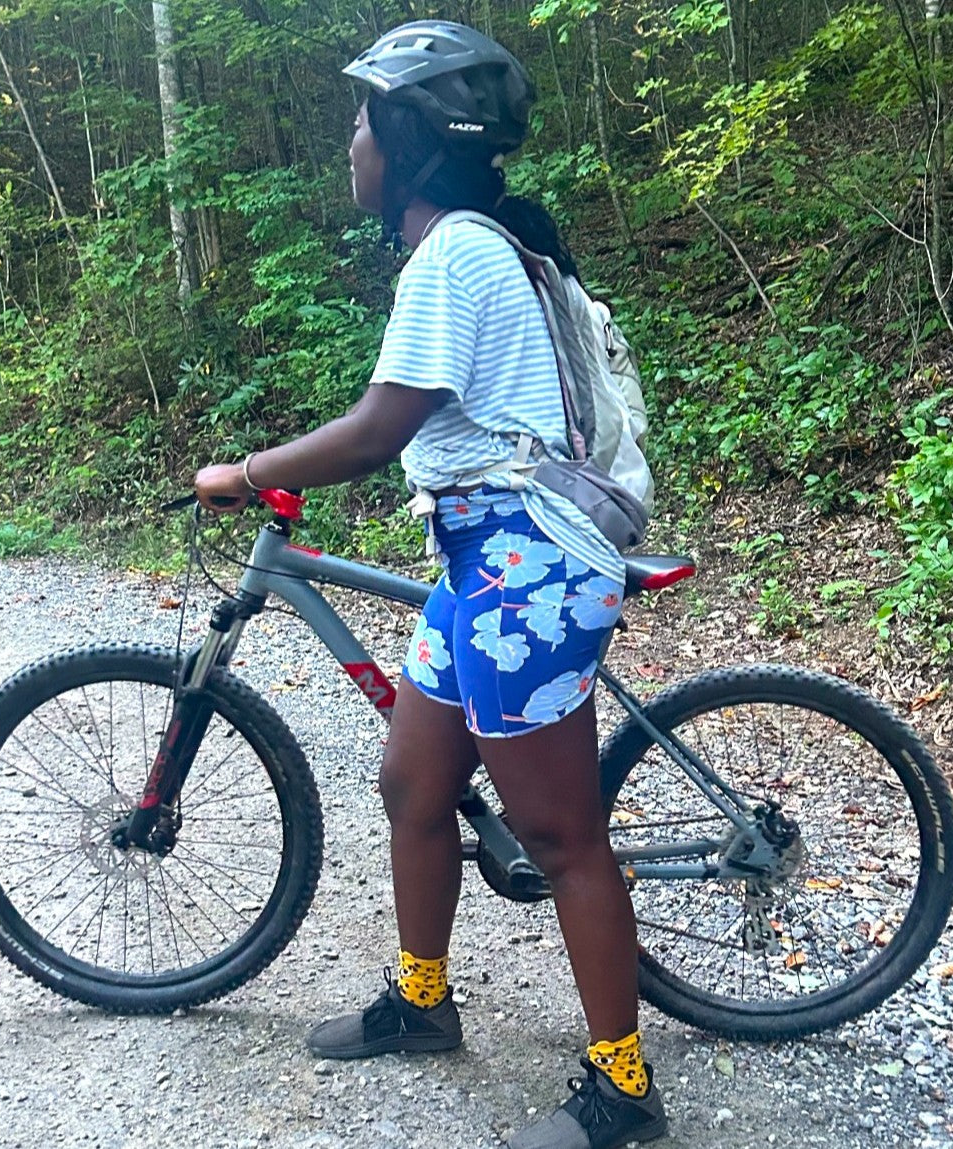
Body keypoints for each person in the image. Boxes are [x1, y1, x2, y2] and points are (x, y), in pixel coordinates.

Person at [194, 21, 667, 1149]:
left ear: (405, 138)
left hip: (528, 563)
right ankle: (421, 1002)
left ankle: (623, 1089)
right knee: (414, 785)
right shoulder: (468, 247)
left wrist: (242, 472)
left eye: (361, 123)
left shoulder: (456, 251)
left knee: (560, 836)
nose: (348, 143)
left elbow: (379, 428)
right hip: (478, 555)